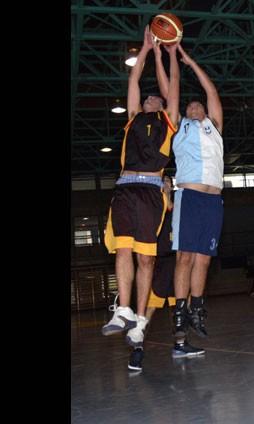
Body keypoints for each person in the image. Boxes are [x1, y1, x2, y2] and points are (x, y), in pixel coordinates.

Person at [101, 26, 181, 370]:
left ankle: (141, 320)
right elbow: (133, 80)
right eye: (147, 98)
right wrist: (146, 49)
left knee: (146, 259)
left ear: (161, 105)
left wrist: (167, 55)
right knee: (122, 250)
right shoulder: (133, 118)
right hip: (124, 187)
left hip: (150, 190)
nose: (150, 99)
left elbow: (172, 87)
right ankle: (123, 310)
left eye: (155, 98)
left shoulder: (169, 120)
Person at [157, 43, 224, 339]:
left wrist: (190, 61)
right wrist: (171, 56)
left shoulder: (214, 126)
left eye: (198, 105)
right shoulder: (178, 127)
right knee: (184, 256)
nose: (193, 107)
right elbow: (170, 91)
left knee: (204, 259)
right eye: (189, 106)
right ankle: (179, 313)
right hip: (189, 197)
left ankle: (196, 309)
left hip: (213, 200)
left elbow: (212, 92)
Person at [128, 175, 204, 371]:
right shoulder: (152, 207)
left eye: (168, 180)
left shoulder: (179, 207)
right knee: (148, 309)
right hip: (158, 264)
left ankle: (180, 344)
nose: (166, 183)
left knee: (181, 307)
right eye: (162, 180)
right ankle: (137, 350)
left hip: (178, 264)